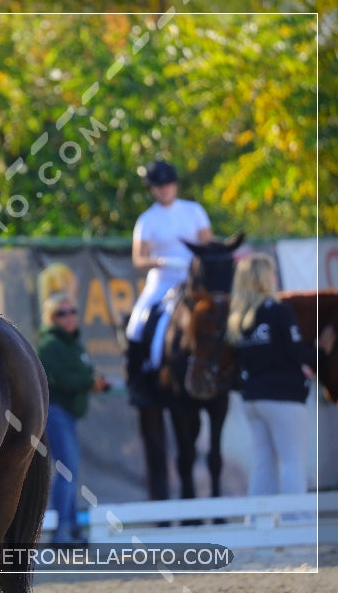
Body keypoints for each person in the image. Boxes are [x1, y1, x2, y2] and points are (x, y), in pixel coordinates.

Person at [124, 159, 212, 502]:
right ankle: (139, 381)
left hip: (192, 280)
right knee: (137, 323)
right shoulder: (147, 219)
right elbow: (138, 259)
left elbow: (208, 243)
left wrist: (195, 264)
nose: (164, 191)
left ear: (175, 184)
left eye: (167, 185)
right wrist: (161, 262)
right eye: (158, 187)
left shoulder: (194, 212)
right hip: (162, 280)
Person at [226, 253, 317, 495]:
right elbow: (296, 352)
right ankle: (295, 522)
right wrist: (321, 351)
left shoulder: (238, 319)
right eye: (271, 273)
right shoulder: (279, 312)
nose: (275, 278)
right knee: (292, 462)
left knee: (264, 464)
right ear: (264, 279)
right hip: (283, 398)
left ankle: (258, 521)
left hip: (253, 398)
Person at [35, 292, 109, 544]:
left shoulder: (71, 343)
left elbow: (78, 372)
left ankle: (71, 526)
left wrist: (94, 379)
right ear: (51, 318)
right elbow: (59, 379)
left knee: (69, 472)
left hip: (66, 414)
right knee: (66, 472)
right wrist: (91, 381)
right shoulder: (50, 344)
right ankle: (63, 529)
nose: (69, 317)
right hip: (56, 412)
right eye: (61, 313)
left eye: (72, 311)